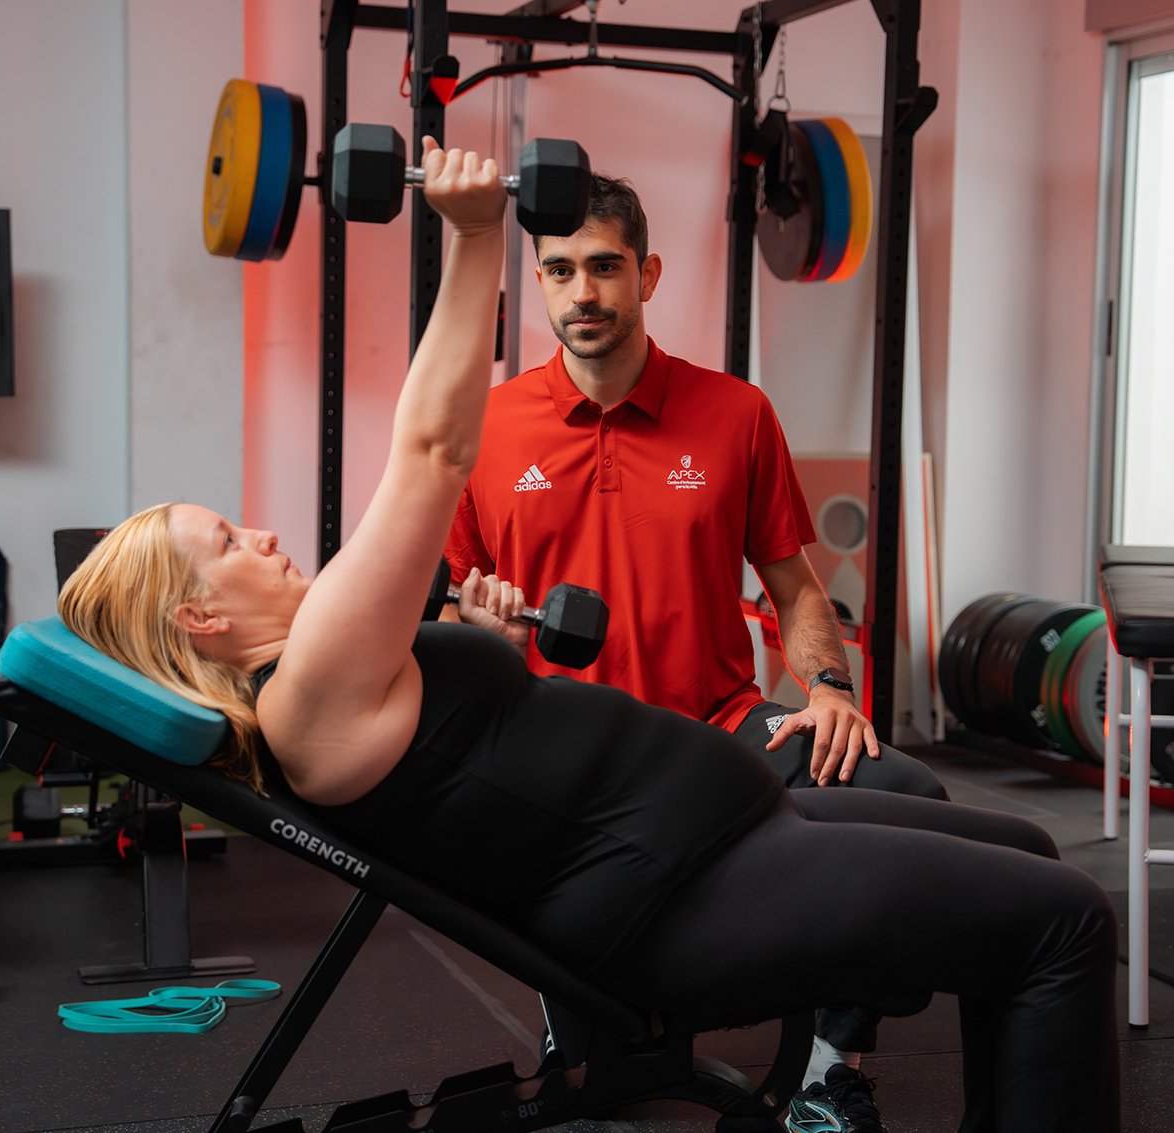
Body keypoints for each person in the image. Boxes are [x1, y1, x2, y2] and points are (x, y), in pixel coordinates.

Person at [57, 141, 1120, 1133]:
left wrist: (475, 623)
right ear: (200, 617)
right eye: (231, 539)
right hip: (684, 883)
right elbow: (431, 448)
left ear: (646, 275)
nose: (268, 530)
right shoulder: (305, 686)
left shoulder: (335, 671)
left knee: (1027, 854)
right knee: (1065, 919)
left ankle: (842, 1063)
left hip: (718, 819)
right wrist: (475, 235)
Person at [441, 171, 944, 1125]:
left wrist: (831, 688)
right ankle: (574, 1014)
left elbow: (793, 584)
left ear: (649, 273)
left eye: (603, 267)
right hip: (565, 752)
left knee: (905, 799)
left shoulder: (735, 412)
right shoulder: (485, 425)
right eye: (559, 270)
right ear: (537, 283)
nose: (582, 292)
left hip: (721, 727)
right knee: (596, 1078)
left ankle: (830, 1070)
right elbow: (448, 609)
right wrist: (482, 621)